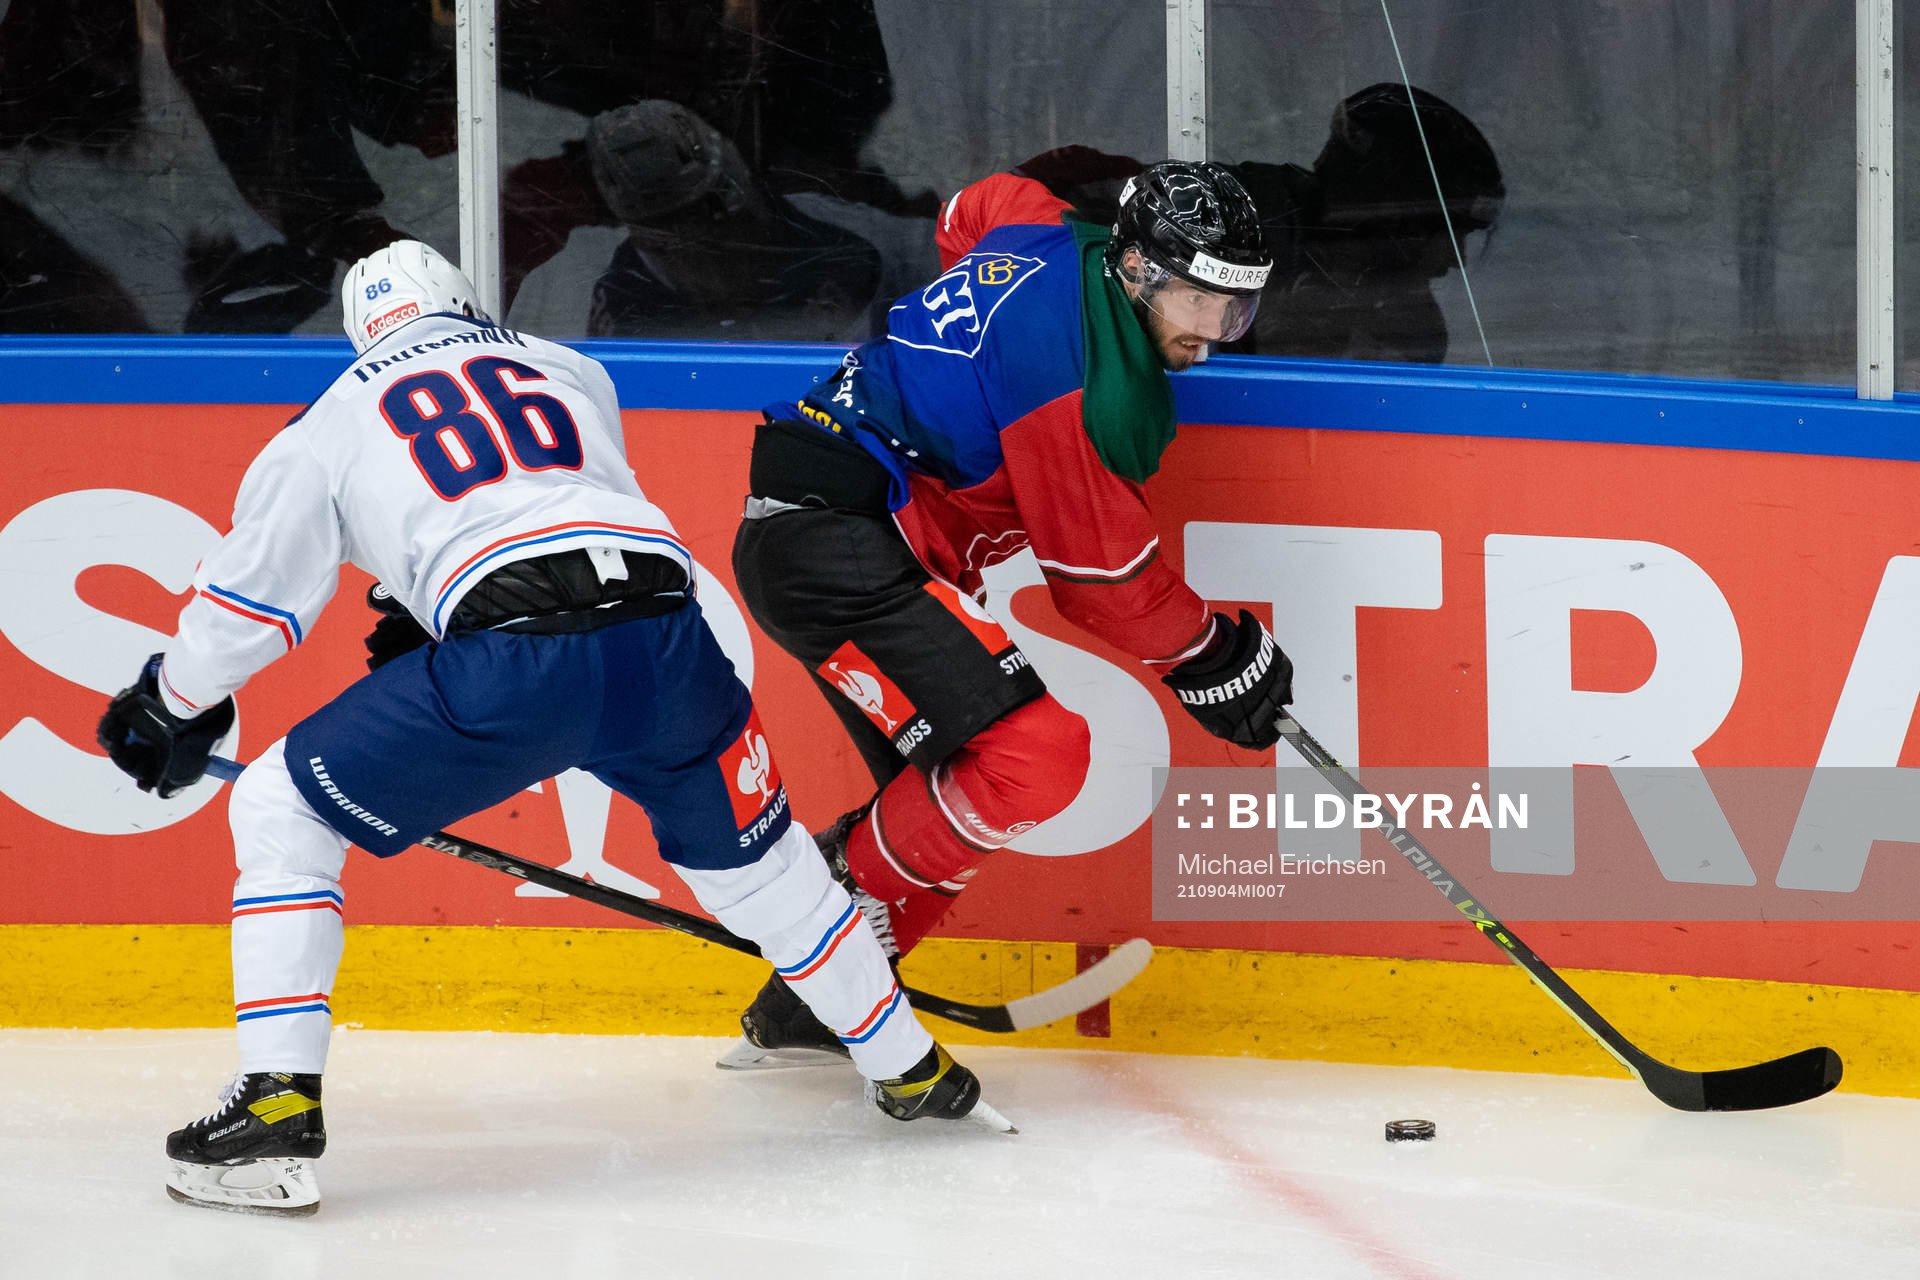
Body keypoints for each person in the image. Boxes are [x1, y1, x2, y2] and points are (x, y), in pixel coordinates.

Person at [94, 240, 1007, 1216]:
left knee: (282, 809)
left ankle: (275, 1110)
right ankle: (914, 1069)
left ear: (361, 336)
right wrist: (425, 604)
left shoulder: (327, 421)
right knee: (765, 870)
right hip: (669, 641)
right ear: (467, 305)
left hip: (516, 660)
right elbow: (564, 495)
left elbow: (251, 608)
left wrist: (170, 701)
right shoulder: (567, 366)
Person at [723, 162, 1296, 1066]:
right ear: (1140, 273)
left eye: (1238, 311)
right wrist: (1216, 651)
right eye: (1201, 305)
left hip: (825, 522)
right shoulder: (1082, 389)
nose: (1216, 336)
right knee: (1039, 756)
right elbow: (1101, 583)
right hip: (839, 537)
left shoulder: (1041, 228)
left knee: (951, 802)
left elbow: (969, 208)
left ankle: (817, 1004)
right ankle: (824, 895)